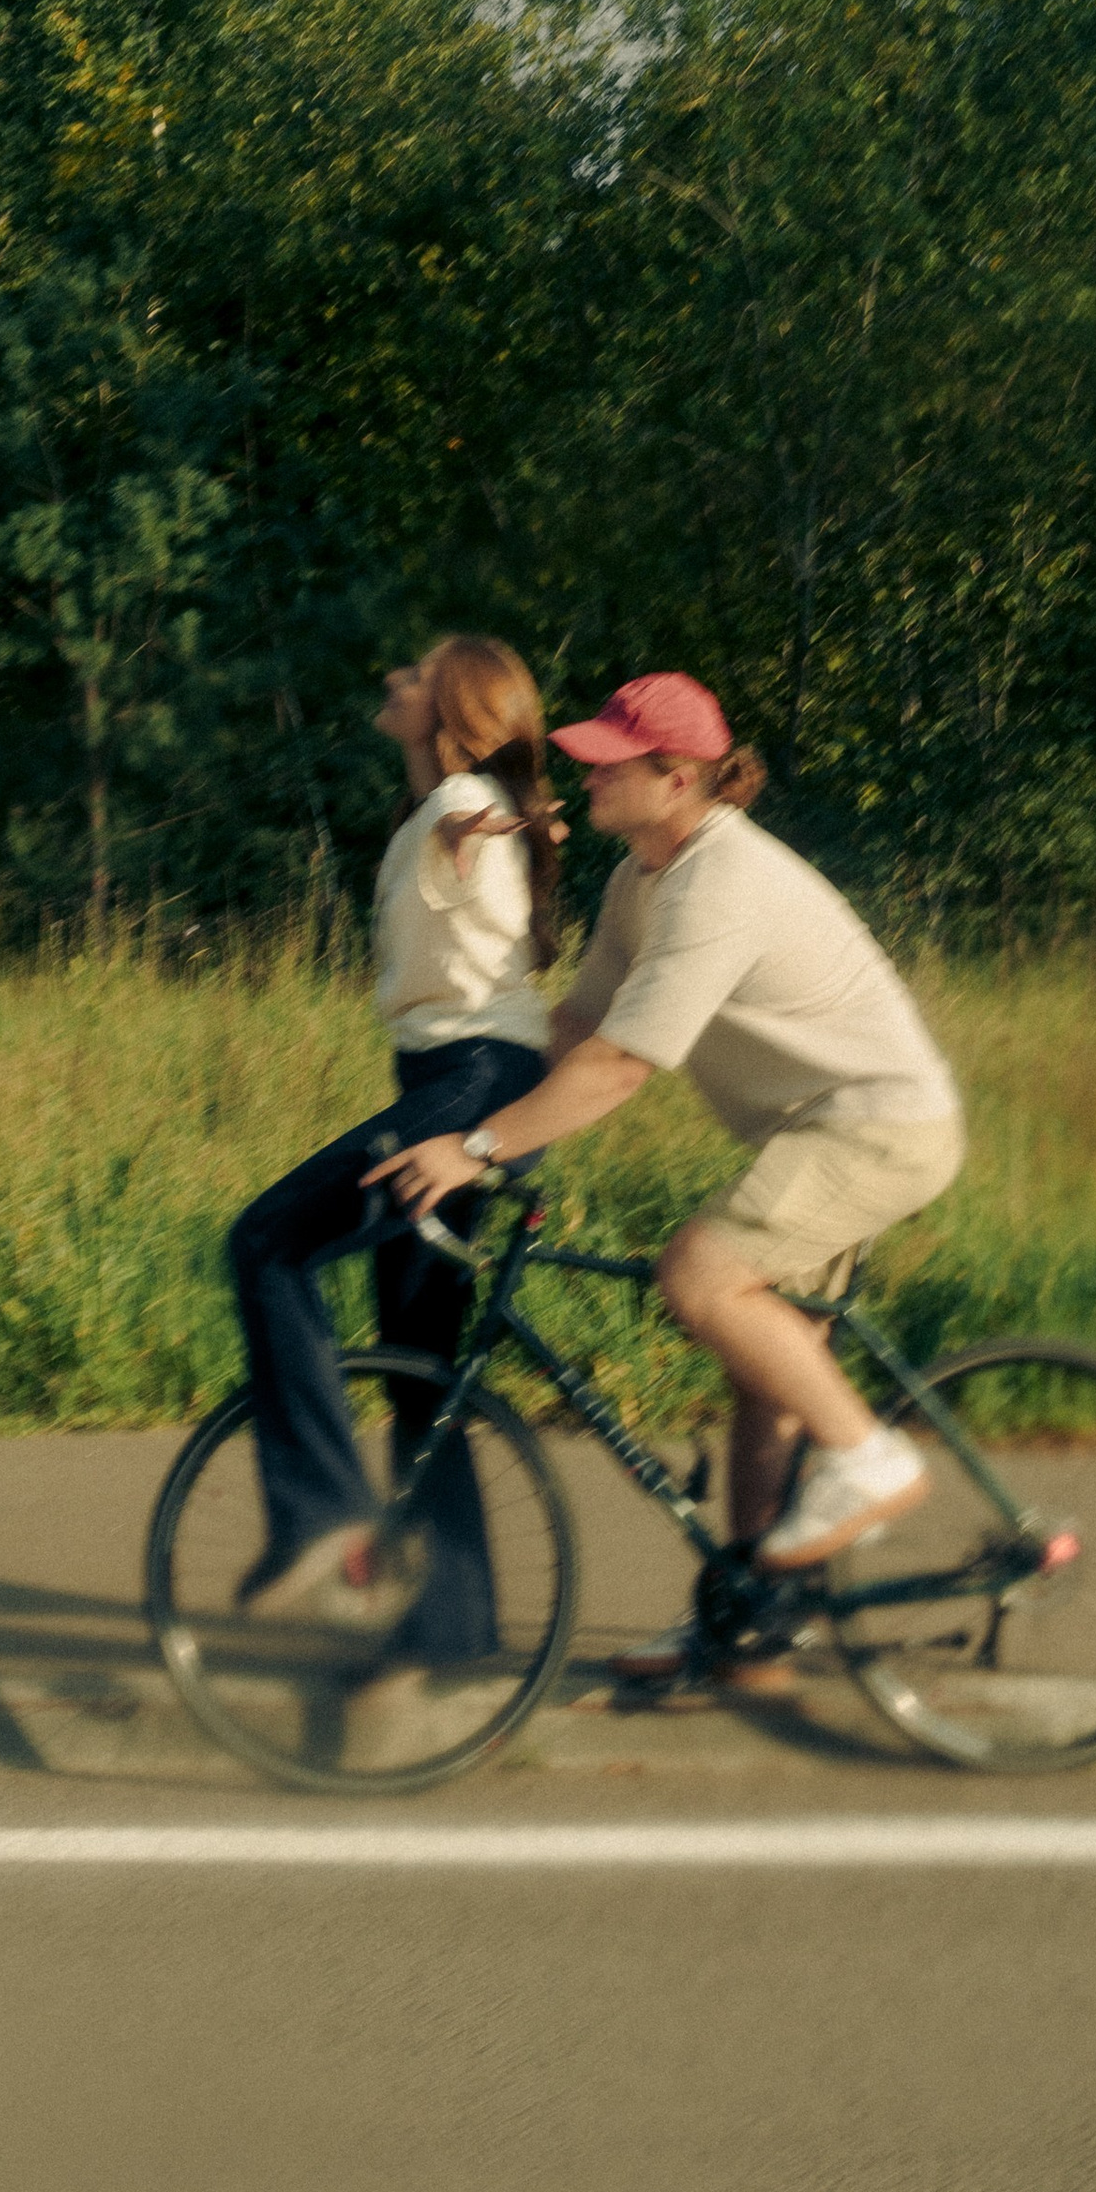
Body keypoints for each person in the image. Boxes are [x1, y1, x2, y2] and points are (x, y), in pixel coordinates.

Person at [376, 669, 963, 1693]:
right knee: (764, 1379)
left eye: (610, 758)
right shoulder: (639, 878)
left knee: (697, 1274)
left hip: (874, 1127)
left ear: (679, 777)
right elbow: (576, 1029)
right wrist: (479, 1121)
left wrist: (476, 1151)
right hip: (812, 1130)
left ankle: (870, 1459)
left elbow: (622, 1066)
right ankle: (751, 1628)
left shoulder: (719, 881)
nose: (583, 769)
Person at [225, 635, 559, 1659]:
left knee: (265, 1247)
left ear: (453, 712)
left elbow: (483, 815)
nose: (391, 680)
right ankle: (454, 1632)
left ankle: (321, 1514)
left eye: (413, 676)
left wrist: (516, 814)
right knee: (422, 1367)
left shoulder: (461, 807)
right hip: (456, 1081)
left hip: (469, 1085)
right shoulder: (437, 810)